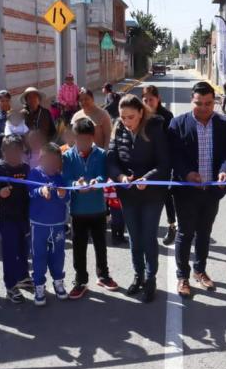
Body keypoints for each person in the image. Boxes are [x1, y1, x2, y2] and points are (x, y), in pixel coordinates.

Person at [168, 82, 226, 298]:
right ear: (192, 101)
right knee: (185, 233)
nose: (204, 108)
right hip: (186, 191)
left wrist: (224, 171)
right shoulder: (177, 124)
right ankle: (183, 276)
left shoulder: (224, 124)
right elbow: (174, 156)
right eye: (199, 103)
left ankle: (200, 270)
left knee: (204, 233)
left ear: (214, 102)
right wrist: (188, 174)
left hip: (211, 191)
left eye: (208, 103)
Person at [107, 94, 170, 303]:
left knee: (148, 236)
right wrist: (121, 176)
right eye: (123, 117)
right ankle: (138, 275)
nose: (127, 122)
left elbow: (164, 164)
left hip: (152, 193)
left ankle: (151, 279)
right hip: (128, 192)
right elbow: (112, 159)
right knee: (134, 237)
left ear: (141, 113)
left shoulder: (155, 129)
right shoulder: (119, 128)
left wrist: (147, 178)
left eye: (131, 117)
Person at [63, 118, 118, 299]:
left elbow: (104, 174)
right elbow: (66, 179)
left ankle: (103, 275)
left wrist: (98, 181)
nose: (83, 144)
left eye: (87, 140)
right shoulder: (68, 156)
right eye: (79, 140)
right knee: (79, 247)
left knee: (100, 244)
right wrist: (75, 184)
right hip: (78, 211)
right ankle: (80, 280)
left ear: (93, 138)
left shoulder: (102, 154)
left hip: (98, 209)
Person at [0, 134, 33, 303]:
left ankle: (22, 277)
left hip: (24, 217)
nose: (14, 156)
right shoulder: (0, 170)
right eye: (10, 153)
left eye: (17, 152)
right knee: (10, 252)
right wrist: (0, 193)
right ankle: (10, 286)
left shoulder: (26, 169)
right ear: (3, 152)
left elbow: (31, 190)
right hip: (7, 219)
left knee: (23, 249)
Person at [27, 142, 70, 306]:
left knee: (58, 255)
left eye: (56, 162)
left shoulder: (61, 177)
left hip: (58, 224)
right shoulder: (34, 174)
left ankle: (58, 280)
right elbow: (31, 191)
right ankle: (39, 285)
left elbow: (67, 199)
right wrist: (41, 191)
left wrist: (62, 194)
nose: (52, 166)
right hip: (38, 225)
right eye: (49, 162)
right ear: (41, 159)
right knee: (39, 256)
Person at [141, 84, 177, 246]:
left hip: (164, 162)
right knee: (145, 193)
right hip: (145, 162)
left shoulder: (166, 116)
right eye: (145, 99)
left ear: (158, 99)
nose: (148, 102)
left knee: (166, 194)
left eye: (151, 99)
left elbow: (172, 139)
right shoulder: (140, 115)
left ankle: (171, 225)